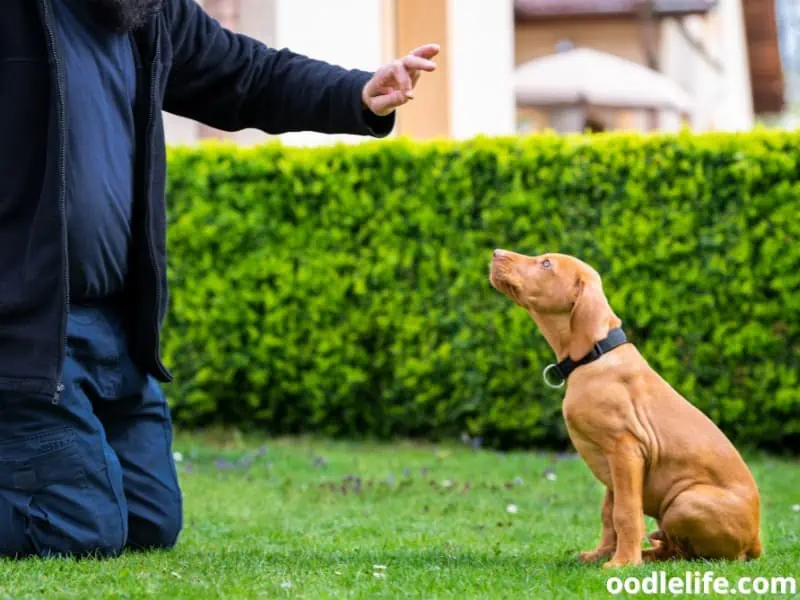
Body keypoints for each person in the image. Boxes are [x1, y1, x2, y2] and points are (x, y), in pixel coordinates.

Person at [0, 0, 438, 558]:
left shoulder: (146, 13)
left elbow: (249, 75)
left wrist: (356, 94)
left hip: (115, 333)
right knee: (78, 530)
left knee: (150, 521)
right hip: (25, 337)